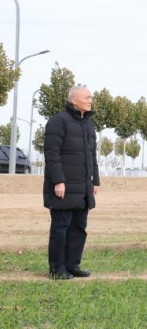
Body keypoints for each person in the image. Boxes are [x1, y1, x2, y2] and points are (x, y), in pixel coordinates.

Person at [43, 85, 100, 280]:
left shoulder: (89, 125)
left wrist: (95, 181)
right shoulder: (58, 122)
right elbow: (52, 155)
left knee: (79, 228)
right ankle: (57, 268)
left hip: (83, 187)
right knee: (61, 228)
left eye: (91, 97)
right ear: (74, 100)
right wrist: (58, 181)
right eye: (86, 97)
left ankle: (72, 265)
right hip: (63, 187)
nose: (90, 100)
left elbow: (92, 155)